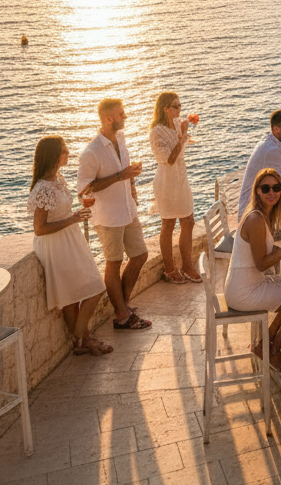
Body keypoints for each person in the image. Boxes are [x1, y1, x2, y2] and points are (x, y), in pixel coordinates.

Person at [224, 167, 281, 372]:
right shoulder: (256, 218)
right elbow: (262, 264)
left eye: (276, 188)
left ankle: (265, 343)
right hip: (244, 291)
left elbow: (262, 250)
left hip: (247, 282)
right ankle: (273, 349)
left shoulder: (262, 215)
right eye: (265, 188)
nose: (271, 193)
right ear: (257, 191)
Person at [28, 136, 112, 356]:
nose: (68, 154)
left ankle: (81, 340)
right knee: (84, 292)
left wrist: (77, 211)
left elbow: (62, 208)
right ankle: (82, 339)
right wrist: (72, 219)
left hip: (70, 238)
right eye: (64, 151)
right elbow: (39, 228)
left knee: (84, 291)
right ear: (54, 155)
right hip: (56, 244)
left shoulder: (58, 178)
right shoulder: (42, 189)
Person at [77, 98, 150, 331]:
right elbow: (84, 190)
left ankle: (123, 307)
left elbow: (126, 169)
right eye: (121, 114)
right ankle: (121, 315)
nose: (125, 117)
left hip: (128, 208)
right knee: (114, 262)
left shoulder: (120, 138)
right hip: (108, 217)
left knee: (140, 255)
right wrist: (120, 175)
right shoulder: (91, 152)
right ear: (109, 118)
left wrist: (132, 186)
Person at [149, 92, 197, 284]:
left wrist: (186, 133)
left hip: (181, 179)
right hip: (166, 182)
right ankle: (169, 269)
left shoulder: (177, 124)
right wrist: (183, 137)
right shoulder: (156, 132)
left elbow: (183, 142)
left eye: (180, 105)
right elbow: (168, 159)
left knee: (188, 220)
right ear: (165, 108)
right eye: (176, 106)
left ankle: (187, 265)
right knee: (168, 224)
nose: (180, 109)